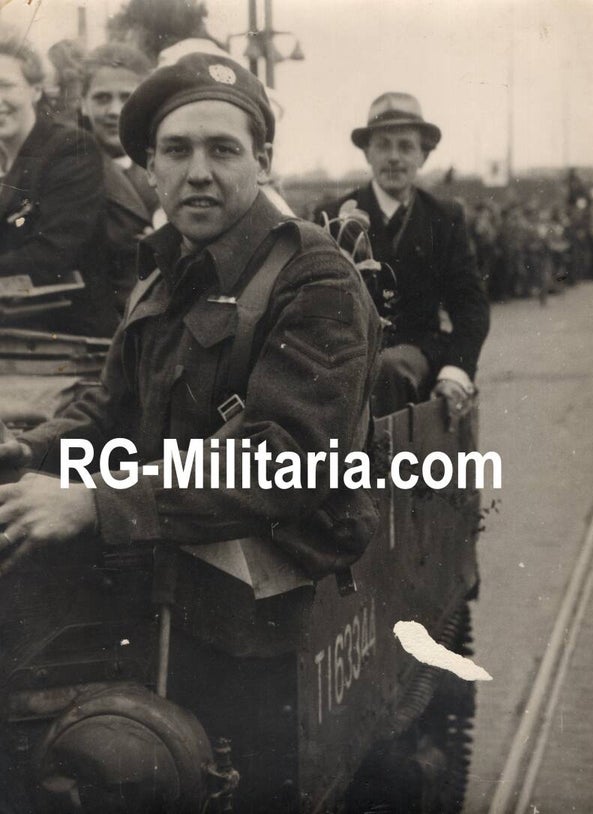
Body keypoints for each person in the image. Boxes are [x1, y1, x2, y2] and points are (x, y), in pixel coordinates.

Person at [0, 52, 380, 614]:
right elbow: (109, 411)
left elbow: (287, 462)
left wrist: (96, 503)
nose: (197, 171)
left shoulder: (313, 277)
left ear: (263, 161)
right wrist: (26, 450)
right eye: (177, 150)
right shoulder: (161, 274)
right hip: (164, 561)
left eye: (223, 149)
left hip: (265, 597)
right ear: (152, 169)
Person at [316, 92, 490, 420]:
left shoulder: (444, 217)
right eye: (383, 145)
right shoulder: (333, 216)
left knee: (389, 370)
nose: (394, 157)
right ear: (367, 153)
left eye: (406, 147)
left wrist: (456, 371)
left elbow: (470, 306)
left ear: (424, 156)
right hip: (345, 358)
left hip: (418, 356)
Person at [0, 28, 118, 337]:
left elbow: (54, 253)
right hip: (14, 330)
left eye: (5, 86)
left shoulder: (70, 149)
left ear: (36, 90)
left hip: (70, 337)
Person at [81, 43, 157, 313]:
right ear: (83, 103)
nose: (114, 110)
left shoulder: (166, 166)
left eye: (126, 97)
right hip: (101, 322)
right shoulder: (69, 170)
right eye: (102, 98)